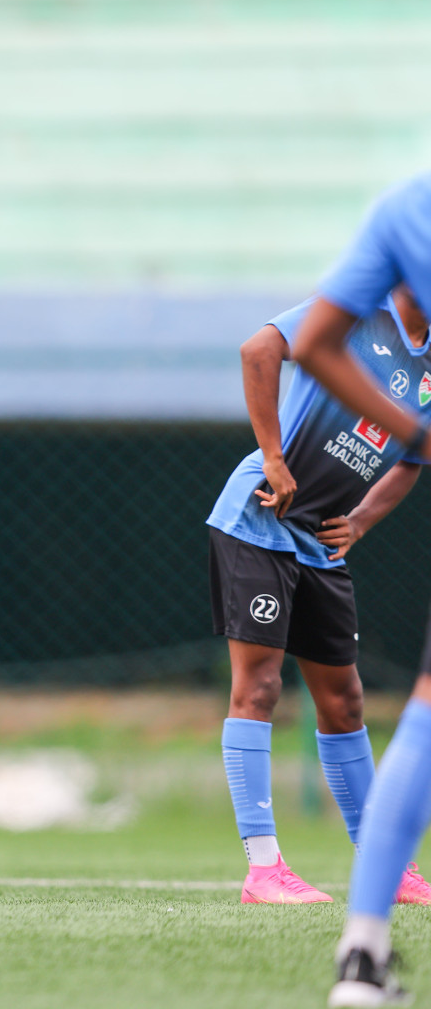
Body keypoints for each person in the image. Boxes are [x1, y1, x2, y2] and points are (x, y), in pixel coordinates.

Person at [206, 288, 431, 907]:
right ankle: (263, 870)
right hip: (258, 520)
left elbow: (412, 457)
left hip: (320, 540)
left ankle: (386, 868)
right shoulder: (356, 313)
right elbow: (260, 349)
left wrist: (359, 522)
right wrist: (274, 458)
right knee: (259, 688)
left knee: (345, 700)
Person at [286, 174, 431, 1007]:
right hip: (269, 526)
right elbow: (279, 348)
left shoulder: (404, 207)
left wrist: (415, 435)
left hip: (324, 528)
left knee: (417, 708)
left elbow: (311, 341)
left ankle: (363, 958)